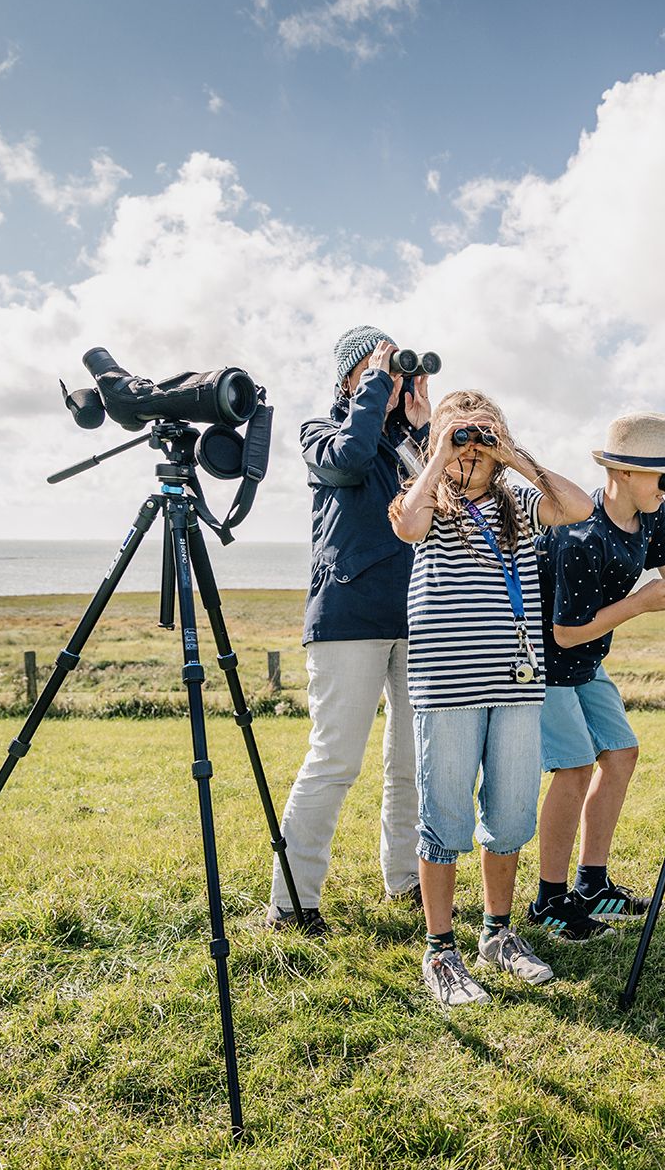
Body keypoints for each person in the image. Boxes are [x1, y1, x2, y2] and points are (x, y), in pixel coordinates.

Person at [389, 390, 595, 1005]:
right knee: (444, 818)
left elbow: (579, 506)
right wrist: (438, 447)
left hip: (515, 689)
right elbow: (407, 525)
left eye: (483, 437)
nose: (471, 449)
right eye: (462, 436)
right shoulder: (426, 498)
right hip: (447, 692)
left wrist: (514, 454)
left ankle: (498, 935)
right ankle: (440, 950)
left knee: (509, 817)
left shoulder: (522, 506)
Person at [525, 412, 665, 940]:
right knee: (573, 769)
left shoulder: (653, 515)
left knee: (620, 753)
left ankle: (592, 884)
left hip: (587, 663)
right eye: (659, 475)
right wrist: (638, 605)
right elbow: (565, 633)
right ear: (621, 472)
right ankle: (550, 901)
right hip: (548, 665)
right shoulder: (577, 533)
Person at [267, 326, 429, 936]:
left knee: (413, 760)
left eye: (398, 370)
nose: (392, 381)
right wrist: (373, 394)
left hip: (415, 616)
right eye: (378, 368)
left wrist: (421, 426)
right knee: (335, 759)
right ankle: (292, 903)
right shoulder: (321, 434)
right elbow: (348, 460)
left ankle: (407, 879)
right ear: (349, 381)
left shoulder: (402, 442)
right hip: (348, 619)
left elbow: (440, 496)